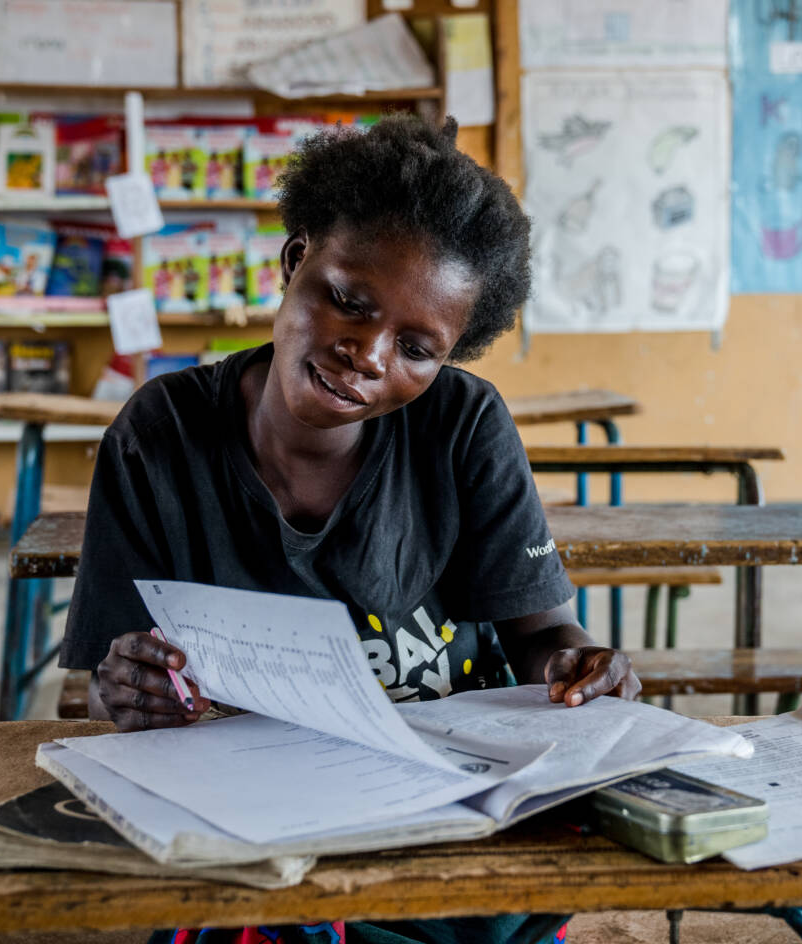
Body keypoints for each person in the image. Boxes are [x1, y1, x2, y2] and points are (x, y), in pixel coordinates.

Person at [58, 115, 637, 944]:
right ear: (295, 260)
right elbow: (109, 686)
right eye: (348, 302)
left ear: (452, 355)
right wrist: (128, 689)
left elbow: (540, 631)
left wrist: (578, 665)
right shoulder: (161, 437)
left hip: (442, 813)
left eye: (416, 346)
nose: (366, 353)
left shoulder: (463, 426)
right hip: (256, 823)